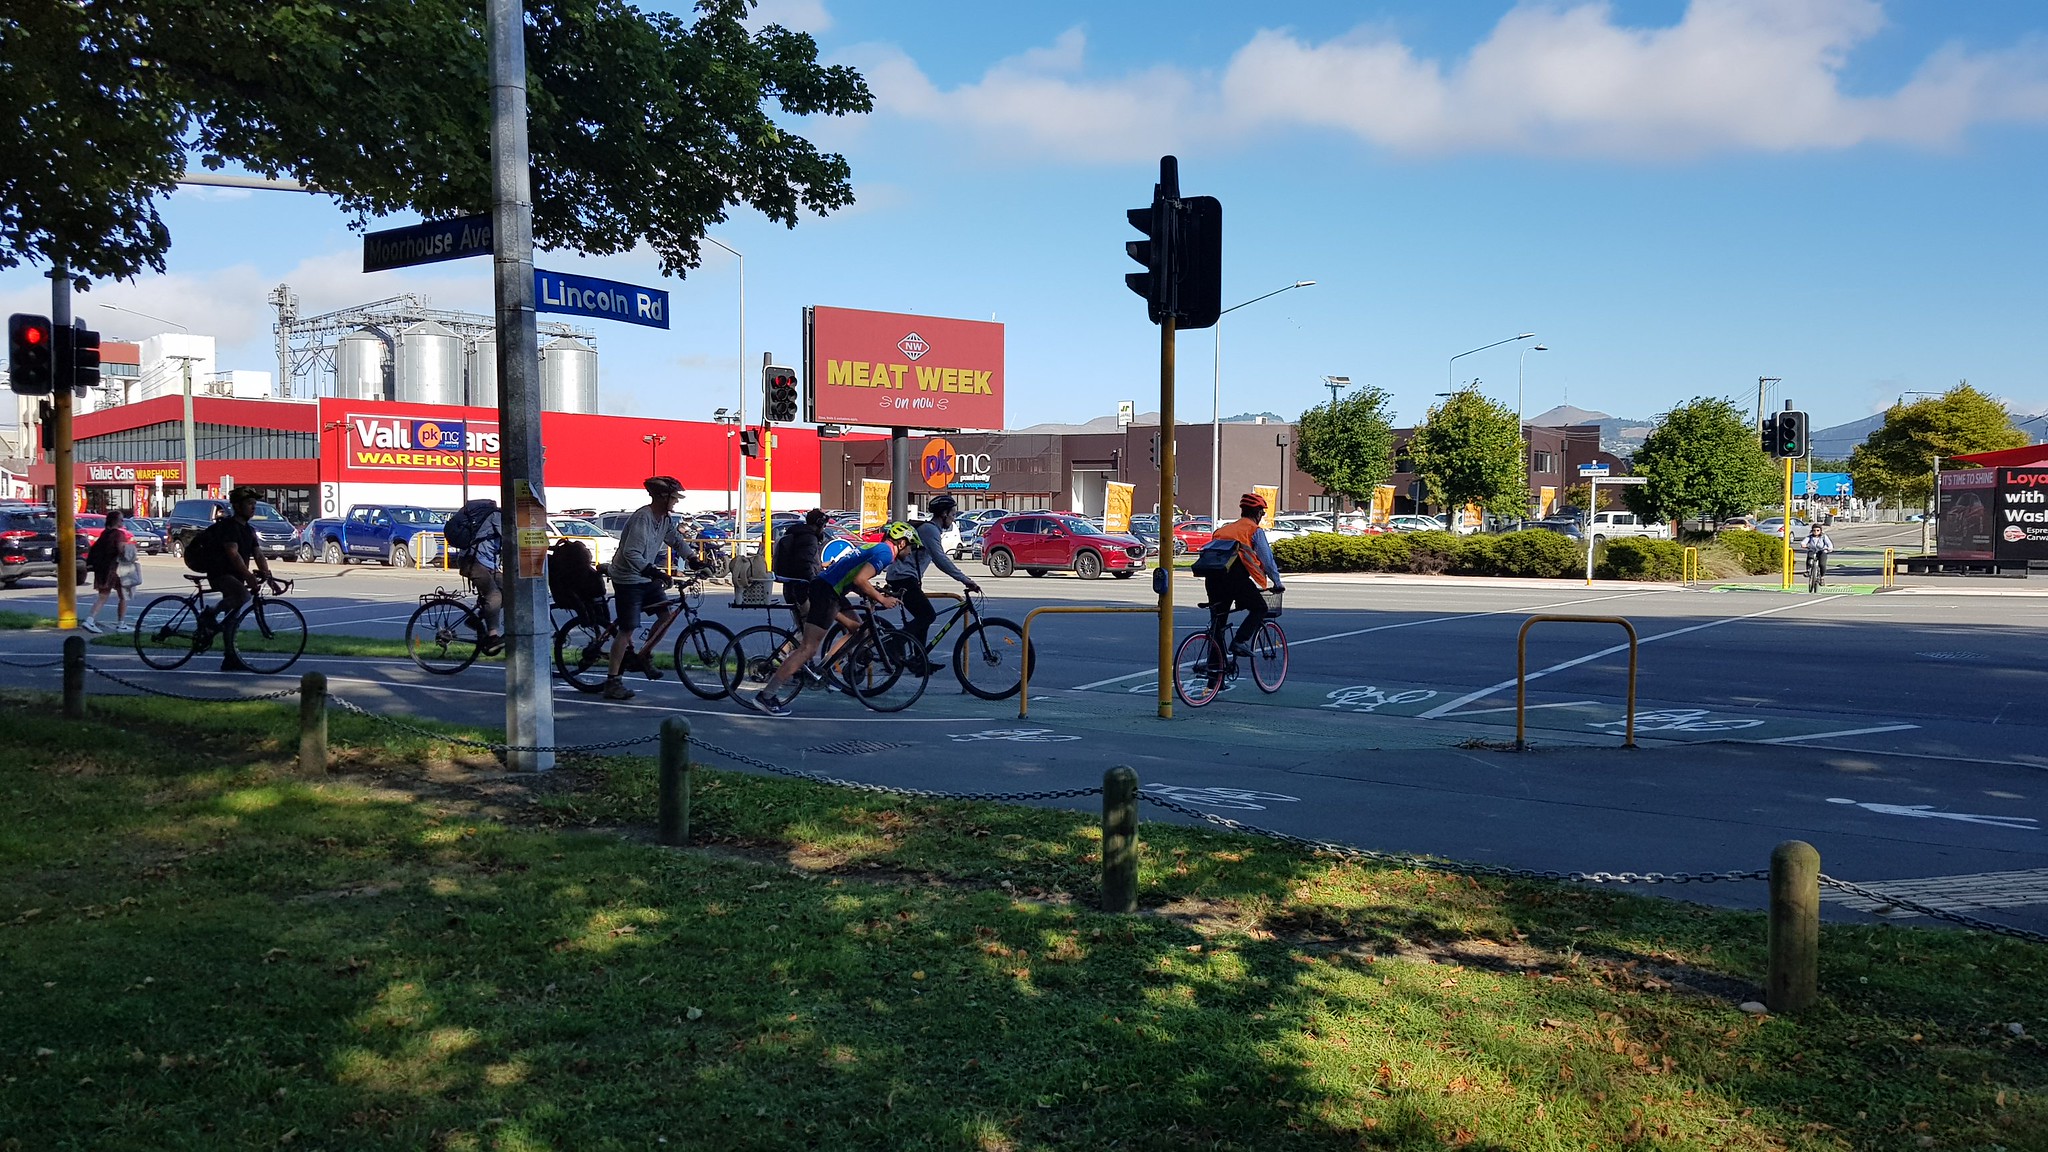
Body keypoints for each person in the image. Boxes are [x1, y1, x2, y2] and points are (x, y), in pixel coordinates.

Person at [747, 536, 898, 716]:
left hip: (830, 588)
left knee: (859, 629)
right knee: (808, 649)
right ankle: (767, 695)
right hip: (827, 592)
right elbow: (860, 580)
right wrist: (882, 599)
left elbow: (851, 576)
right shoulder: (886, 553)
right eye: (911, 547)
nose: (912, 552)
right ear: (902, 542)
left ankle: (826, 672)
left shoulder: (877, 547)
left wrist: (874, 595)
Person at [600, 476, 694, 701]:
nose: (676, 502)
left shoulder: (664, 519)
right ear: (662, 497)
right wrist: (654, 571)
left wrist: (694, 559)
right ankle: (612, 681)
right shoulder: (643, 518)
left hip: (645, 577)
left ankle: (644, 656)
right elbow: (632, 554)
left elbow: (676, 541)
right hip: (628, 579)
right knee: (627, 629)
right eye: (673, 497)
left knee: (665, 616)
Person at [884, 496, 982, 673]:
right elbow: (941, 559)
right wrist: (965, 579)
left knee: (924, 618)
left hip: (907, 578)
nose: (953, 518)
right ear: (943, 514)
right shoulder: (930, 530)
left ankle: (919, 660)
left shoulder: (930, 529)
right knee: (928, 616)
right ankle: (895, 644)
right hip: (903, 578)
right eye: (952, 514)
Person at [191, 487, 283, 672]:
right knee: (243, 596)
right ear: (237, 506)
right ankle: (209, 613)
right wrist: (249, 577)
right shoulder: (230, 527)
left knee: (232, 618)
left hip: (235, 576)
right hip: (220, 574)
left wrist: (270, 578)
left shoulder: (248, 530)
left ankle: (230, 658)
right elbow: (233, 554)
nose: (253, 507)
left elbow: (258, 555)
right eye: (249, 504)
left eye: (254, 504)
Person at [1204, 493, 1286, 658]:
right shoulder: (1253, 530)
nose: (1263, 515)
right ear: (1256, 512)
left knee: (1218, 625)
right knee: (1259, 608)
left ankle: (1215, 674)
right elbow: (1267, 561)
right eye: (1262, 512)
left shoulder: (1223, 530)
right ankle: (1240, 641)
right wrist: (1277, 582)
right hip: (1235, 578)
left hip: (1213, 579)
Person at [80, 509, 137, 634]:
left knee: (103, 596)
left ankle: (90, 620)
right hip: (115, 569)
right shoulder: (119, 534)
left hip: (102, 568)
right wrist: (131, 550)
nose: (123, 521)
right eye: (121, 519)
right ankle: (120, 624)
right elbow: (122, 551)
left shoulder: (104, 534)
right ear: (116, 521)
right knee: (123, 596)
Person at [464, 504, 505, 653]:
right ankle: (492, 637)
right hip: (473, 561)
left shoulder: (500, 517)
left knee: (510, 592)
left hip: (488, 564)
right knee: (494, 595)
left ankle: (477, 618)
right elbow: (509, 538)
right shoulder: (497, 517)